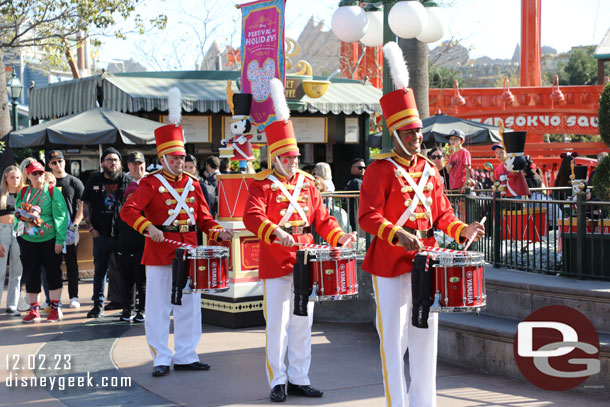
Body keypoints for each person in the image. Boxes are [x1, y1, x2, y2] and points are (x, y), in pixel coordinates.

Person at [359, 42, 485, 407]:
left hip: (426, 259)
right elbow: (368, 215)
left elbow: (442, 214)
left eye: (418, 132)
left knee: (426, 336)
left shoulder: (431, 170)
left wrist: (463, 230)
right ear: (395, 133)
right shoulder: (379, 169)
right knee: (394, 340)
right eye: (411, 132)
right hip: (390, 260)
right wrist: (396, 232)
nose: (418, 137)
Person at [243, 78, 356, 403]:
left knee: (303, 322)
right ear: (275, 158)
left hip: (306, 259)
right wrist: (273, 231)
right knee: (277, 326)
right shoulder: (262, 185)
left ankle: (299, 378)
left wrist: (340, 236)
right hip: (276, 259)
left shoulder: (307, 185)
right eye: (288, 157)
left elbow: (322, 218)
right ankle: (277, 381)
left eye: (295, 157)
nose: (294, 162)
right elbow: (252, 216)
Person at [120, 87, 233, 378]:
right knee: (158, 307)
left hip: (190, 249)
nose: (179, 162)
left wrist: (219, 232)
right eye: (173, 157)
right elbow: (128, 211)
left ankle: (186, 355)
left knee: (189, 306)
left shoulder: (194, 184)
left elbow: (204, 219)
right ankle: (160, 357)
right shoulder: (150, 183)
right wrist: (149, 228)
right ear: (162, 156)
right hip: (159, 250)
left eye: (181, 157)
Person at [82, 147, 133, 318]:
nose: (112, 162)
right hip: (101, 234)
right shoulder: (94, 180)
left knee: (125, 271)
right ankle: (98, 305)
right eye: (109, 159)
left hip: (122, 235)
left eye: (115, 159)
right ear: (102, 162)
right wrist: (90, 228)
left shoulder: (127, 181)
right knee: (100, 272)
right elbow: (86, 204)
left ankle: (127, 306)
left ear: (120, 163)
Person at [16, 161, 69, 323]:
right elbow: (18, 212)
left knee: (53, 273)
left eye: (41, 173)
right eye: (35, 173)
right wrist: (18, 233)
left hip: (49, 239)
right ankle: (34, 309)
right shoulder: (24, 191)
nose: (38, 176)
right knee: (31, 274)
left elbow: (61, 216)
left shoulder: (52, 191)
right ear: (28, 175)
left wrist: (60, 239)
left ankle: (54, 308)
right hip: (28, 239)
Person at [47, 150, 85, 309]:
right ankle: (54, 300)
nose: (58, 165)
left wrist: (75, 224)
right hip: (51, 230)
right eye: (54, 162)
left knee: (71, 264)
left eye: (60, 161)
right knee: (52, 265)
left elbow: (82, 207)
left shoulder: (74, 182)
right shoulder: (47, 183)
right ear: (49, 165)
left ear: (64, 162)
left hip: (69, 229)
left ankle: (74, 297)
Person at [117, 182, 146, 322]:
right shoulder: (121, 213)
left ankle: (142, 309)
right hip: (124, 253)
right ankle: (127, 309)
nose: (131, 198)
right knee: (126, 283)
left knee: (141, 283)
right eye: (129, 195)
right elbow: (115, 232)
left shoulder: (144, 213)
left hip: (140, 253)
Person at [0, 166, 24, 316]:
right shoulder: (1, 194)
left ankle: (12, 305)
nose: (15, 180)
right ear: (6, 178)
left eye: (17, 177)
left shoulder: (24, 195)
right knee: (0, 271)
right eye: (12, 177)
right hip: (2, 231)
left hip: (19, 230)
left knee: (17, 271)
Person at [445, 129, 472, 193]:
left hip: (461, 186)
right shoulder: (450, 153)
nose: (452, 141)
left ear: (462, 141)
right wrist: (447, 167)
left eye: (455, 139)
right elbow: (448, 171)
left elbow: (468, 169)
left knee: (461, 202)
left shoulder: (465, 152)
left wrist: (465, 185)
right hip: (452, 185)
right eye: (451, 139)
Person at [344, 158, 366, 232]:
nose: (362, 170)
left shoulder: (353, 181)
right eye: (360, 168)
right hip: (355, 213)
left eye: (364, 168)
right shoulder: (356, 182)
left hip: (352, 213)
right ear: (352, 168)